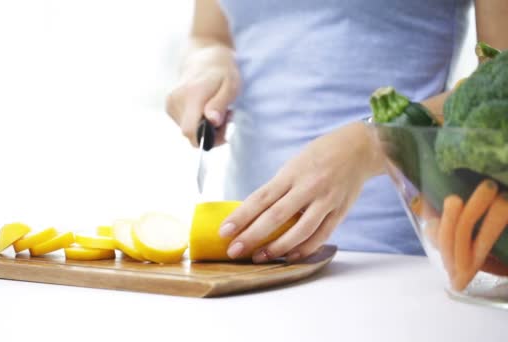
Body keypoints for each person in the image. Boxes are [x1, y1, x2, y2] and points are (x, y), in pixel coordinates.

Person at [165, 0, 508, 263]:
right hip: (246, 253)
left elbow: (501, 77)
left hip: (394, 256)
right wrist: (207, 62)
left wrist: (370, 145)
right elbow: (209, 34)